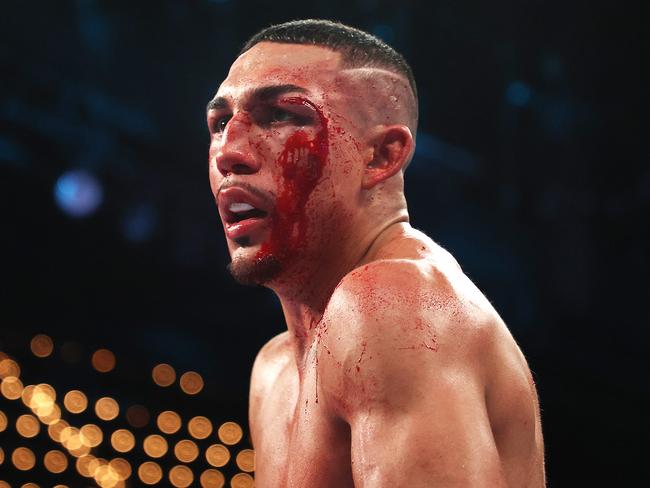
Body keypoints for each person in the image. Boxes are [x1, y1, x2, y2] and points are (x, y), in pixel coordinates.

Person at [207, 19, 545, 487]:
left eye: (281, 115)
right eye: (220, 122)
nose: (229, 150)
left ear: (382, 157)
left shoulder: (394, 305)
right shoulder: (276, 370)